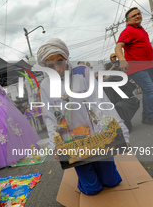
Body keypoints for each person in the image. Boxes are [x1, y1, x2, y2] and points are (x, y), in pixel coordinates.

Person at [37, 38, 130, 195]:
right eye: (50, 66)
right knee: (92, 189)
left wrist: (122, 132)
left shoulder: (83, 72)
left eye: (59, 62)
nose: (57, 68)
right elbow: (49, 116)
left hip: (98, 133)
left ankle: (103, 173)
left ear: (66, 58)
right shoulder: (45, 85)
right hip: (72, 140)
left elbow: (103, 102)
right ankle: (86, 180)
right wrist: (55, 146)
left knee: (111, 181)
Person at [115, 7, 153, 125]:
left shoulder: (141, 30)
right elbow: (118, 47)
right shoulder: (128, 30)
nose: (137, 16)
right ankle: (149, 116)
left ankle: (148, 114)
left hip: (148, 66)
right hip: (137, 67)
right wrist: (122, 60)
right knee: (149, 88)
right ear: (127, 21)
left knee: (150, 89)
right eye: (134, 16)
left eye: (139, 14)